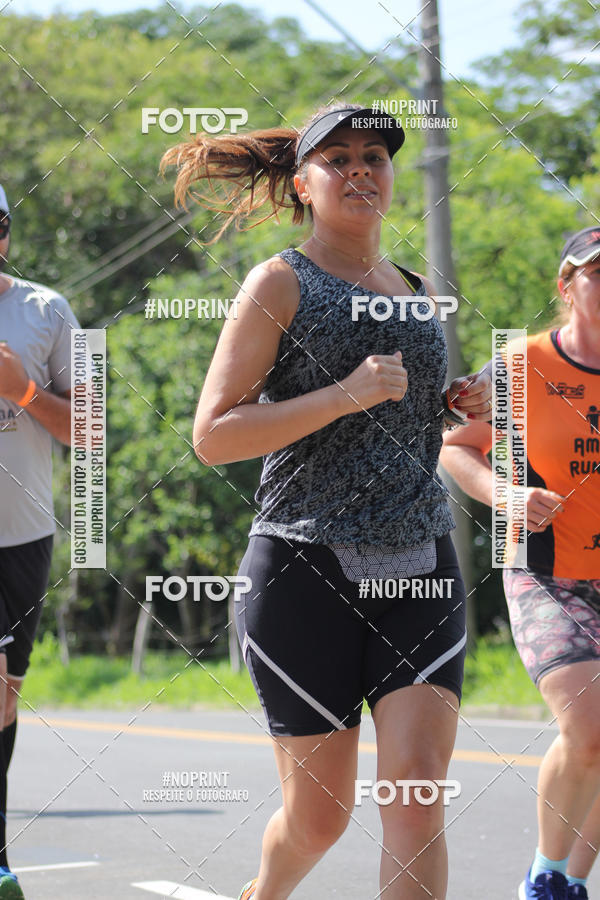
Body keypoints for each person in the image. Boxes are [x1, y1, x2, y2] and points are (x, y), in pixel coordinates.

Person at [162, 104, 492, 900]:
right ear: (304, 185)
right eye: (337, 157)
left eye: (374, 155)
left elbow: (405, 419)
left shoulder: (417, 289)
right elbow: (214, 434)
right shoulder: (278, 281)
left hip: (419, 565)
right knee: (319, 821)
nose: (359, 169)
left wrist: (460, 403)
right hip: (304, 572)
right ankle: (263, 894)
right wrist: (344, 395)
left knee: (414, 798)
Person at [439, 226, 600, 900]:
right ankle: (543, 871)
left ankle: (569, 883)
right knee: (590, 725)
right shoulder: (521, 365)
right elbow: (456, 446)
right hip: (548, 575)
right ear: (567, 286)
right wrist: (505, 494)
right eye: (597, 270)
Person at [0, 183, 79, 899]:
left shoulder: (44, 310)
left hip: (19, 536)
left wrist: (22, 389)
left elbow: (89, 428)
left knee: (3, 696)